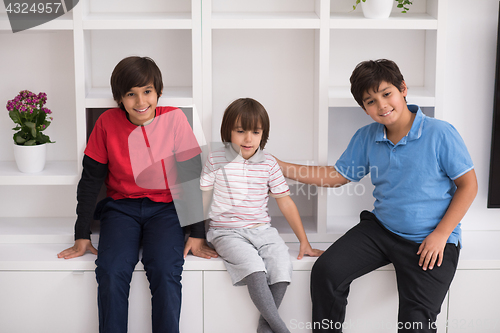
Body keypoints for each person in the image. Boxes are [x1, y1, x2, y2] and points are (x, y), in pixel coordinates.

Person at [275, 59, 478, 333]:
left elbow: (469, 185)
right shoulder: (367, 136)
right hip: (382, 230)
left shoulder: (440, 133)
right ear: (364, 108)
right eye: (370, 101)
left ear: (403, 89)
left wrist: (441, 234)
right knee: (326, 271)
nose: (381, 105)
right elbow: (337, 176)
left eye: (386, 94)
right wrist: (279, 166)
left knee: (415, 324)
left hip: (430, 237)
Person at [57, 56, 217, 333]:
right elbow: (91, 180)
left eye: (147, 92)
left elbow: (191, 178)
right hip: (120, 209)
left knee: (166, 271)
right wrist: (81, 234)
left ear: (158, 92)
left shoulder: (175, 118)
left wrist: (197, 232)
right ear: (120, 98)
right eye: (131, 94)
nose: (141, 101)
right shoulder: (107, 123)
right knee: (110, 270)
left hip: (167, 210)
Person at [200, 98, 324, 333]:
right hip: (226, 232)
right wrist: (194, 234)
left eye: (255, 132)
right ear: (228, 131)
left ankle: (265, 328)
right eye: (240, 131)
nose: (249, 139)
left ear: (263, 134)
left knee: (280, 265)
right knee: (254, 267)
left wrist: (304, 241)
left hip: (262, 230)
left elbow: (285, 202)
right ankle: (280, 328)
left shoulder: (268, 163)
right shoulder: (216, 159)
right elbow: (203, 197)